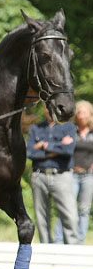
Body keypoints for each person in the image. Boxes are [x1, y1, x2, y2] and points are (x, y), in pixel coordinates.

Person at [26, 103, 79, 244]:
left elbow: (68, 151)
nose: (50, 110)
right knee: (41, 216)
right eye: (47, 107)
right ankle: (45, 247)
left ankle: (72, 248)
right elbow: (30, 152)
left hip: (61, 175)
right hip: (39, 175)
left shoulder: (68, 127)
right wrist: (57, 147)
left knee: (69, 214)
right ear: (44, 109)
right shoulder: (36, 128)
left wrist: (44, 145)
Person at [53, 100, 93, 243]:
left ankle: (79, 241)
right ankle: (58, 240)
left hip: (89, 176)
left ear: (90, 115)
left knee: (83, 210)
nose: (81, 115)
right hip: (71, 174)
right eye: (79, 112)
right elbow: (60, 148)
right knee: (66, 207)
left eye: (84, 112)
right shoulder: (70, 131)